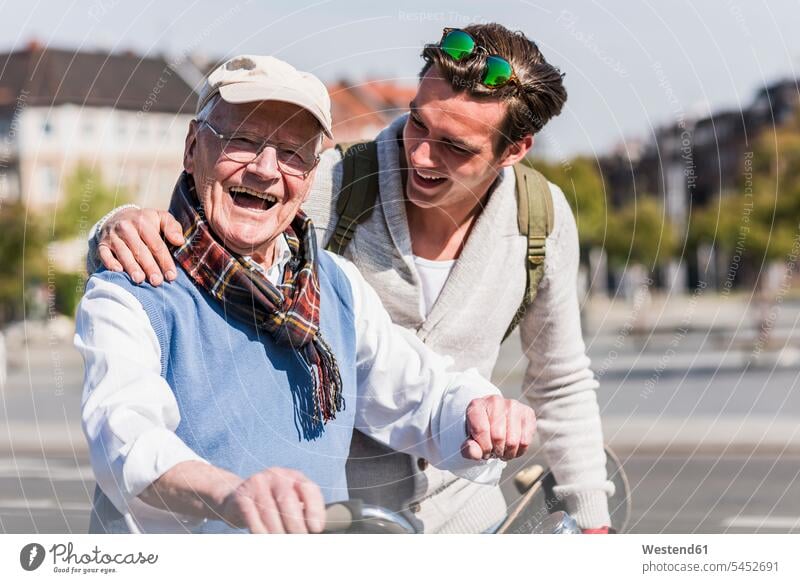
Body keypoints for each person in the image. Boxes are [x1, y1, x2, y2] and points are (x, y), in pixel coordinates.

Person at [88, 23, 613, 533]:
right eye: (418, 123)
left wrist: (482, 412)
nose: (267, 170)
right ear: (192, 145)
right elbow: (126, 434)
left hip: (454, 522)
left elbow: (429, 391)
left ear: (514, 151)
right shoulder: (332, 191)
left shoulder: (335, 281)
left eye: (456, 146)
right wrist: (111, 230)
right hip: (339, 524)